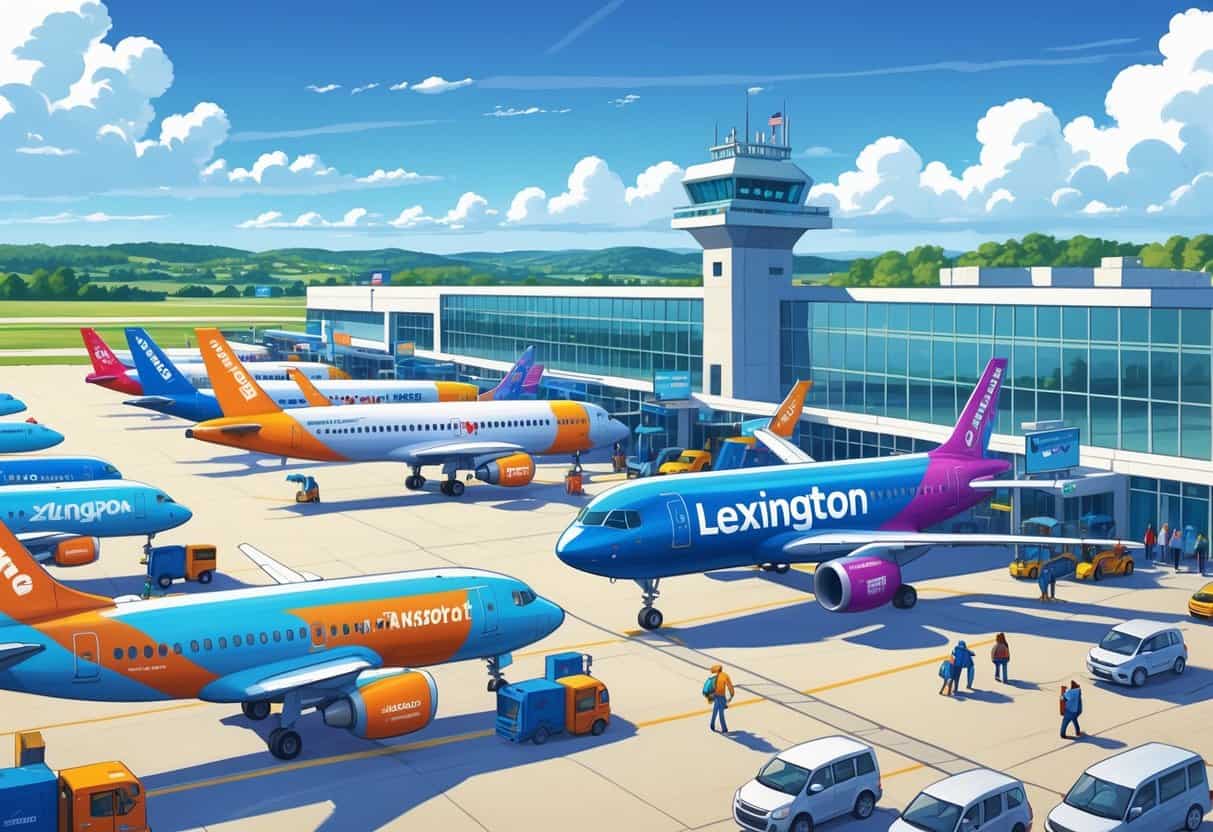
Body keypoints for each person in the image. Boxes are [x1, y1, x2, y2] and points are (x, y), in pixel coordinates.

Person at [704, 663, 734, 733]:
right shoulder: (725, 676)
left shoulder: (713, 677)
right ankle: (724, 729)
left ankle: (712, 725)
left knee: (715, 710)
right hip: (721, 696)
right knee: (721, 713)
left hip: (715, 695)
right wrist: (731, 695)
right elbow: (730, 686)